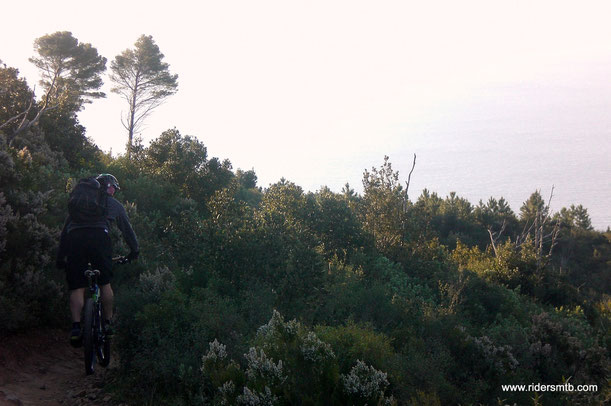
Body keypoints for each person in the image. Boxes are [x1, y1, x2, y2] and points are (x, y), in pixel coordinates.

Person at [56, 173, 139, 347]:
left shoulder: (80, 203)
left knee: (77, 287)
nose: (113, 192)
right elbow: (127, 230)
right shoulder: (112, 204)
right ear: (109, 187)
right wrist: (134, 251)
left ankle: (77, 327)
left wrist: (61, 257)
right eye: (113, 189)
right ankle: (108, 324)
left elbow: (65, 232)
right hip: (100, 238)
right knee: (104, 283)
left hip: (75, 238)